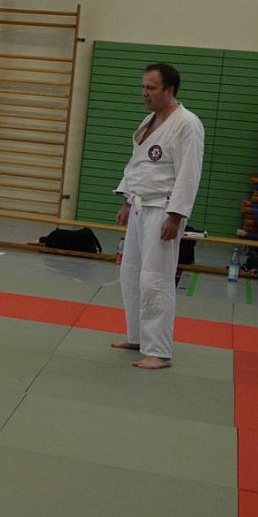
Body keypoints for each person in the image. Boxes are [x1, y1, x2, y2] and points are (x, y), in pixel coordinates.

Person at [111, 62, 204, 369]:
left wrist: (175, 216)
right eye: (143, 87)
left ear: (169, 90)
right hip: (140, 206)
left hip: (163, 210)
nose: (144, 93)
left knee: (156, 279)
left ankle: (159, 351)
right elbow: (137, 164)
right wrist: (127, 201)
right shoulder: (150, 120)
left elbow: (189, 173)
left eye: (151, 88)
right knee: (131, 273)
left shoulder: (186, 123)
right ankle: (137, 337)